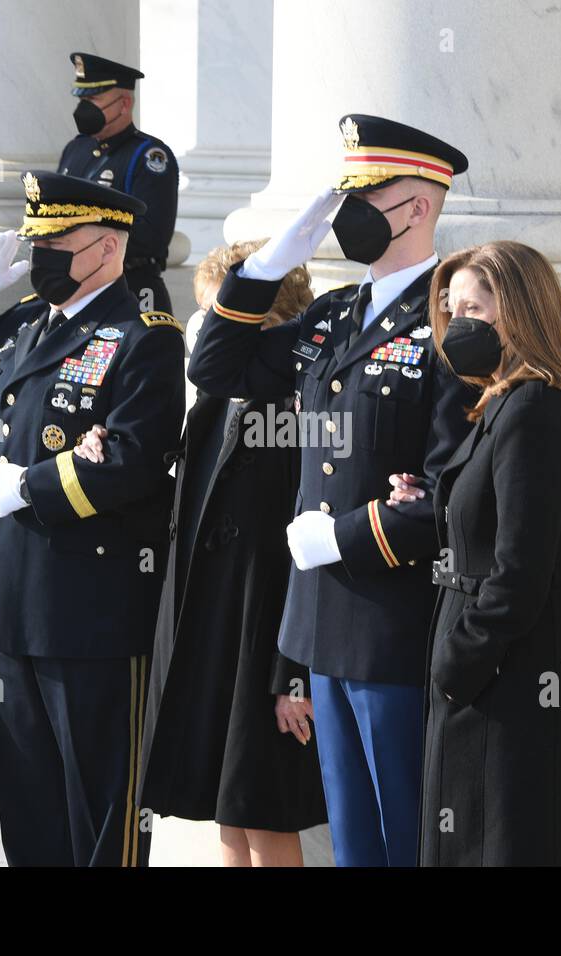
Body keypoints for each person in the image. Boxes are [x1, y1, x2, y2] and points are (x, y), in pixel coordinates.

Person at [187, 115, 475, 866]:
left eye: (366, 195)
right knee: (352, 843)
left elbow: (454, 494)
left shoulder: (452, 323)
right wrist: (278, 256)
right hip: (319, 623)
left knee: (404, 836)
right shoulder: (332, 318)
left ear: (416, 207)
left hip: (394, 621)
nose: (348, 214)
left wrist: (344, 538)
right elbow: (217, 367)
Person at [0, 170, 185, 866]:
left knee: (103, 802)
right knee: (30, 794)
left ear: (104, 247)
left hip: (91, 602)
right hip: (12, 590)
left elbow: (132, 457)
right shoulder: (22, 325)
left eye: (53, 242)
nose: (39, 257)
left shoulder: (143, 336)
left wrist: (34, 487)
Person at [78, 240, 327, 867]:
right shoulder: (214, 400)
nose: (208, 327)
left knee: (265, 809)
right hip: (206, 628)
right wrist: (102, 448)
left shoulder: (302, 407)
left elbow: (302, 552)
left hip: (264, 634)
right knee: (225, 808)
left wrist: (290, 675)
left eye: (222, 313)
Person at [388, 240, 561, 866]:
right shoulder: (503, 401)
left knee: (503, 844)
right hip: (494, 667)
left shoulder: (534, 407)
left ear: (522, 313)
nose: (459, 326)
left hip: (510, 674)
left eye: (475, 310)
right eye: (452, 312)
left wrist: (458, 663)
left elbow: (521, 570)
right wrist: (437, 500)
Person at [58, 52, 178, 316]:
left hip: (130, 287)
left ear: (124, 104)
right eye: (82, 99)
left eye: (93, 99)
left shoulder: (149, 157)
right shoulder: (75, 150)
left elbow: (151, 237)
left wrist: (80, 233)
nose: (84, 108)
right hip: (75, 287)